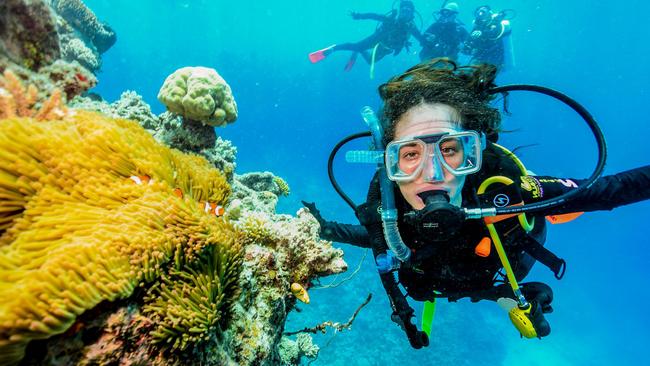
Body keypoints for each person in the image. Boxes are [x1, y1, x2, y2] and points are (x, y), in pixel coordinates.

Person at [302, 59, 650, 348]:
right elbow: (371, 235)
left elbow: (610, 190)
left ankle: (507, 296)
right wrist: (322, 228)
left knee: (498, 283)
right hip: (435, 280)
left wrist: (507, 296)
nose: (434, 173)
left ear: (474, 153)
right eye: (410, 154)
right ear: (389, 164)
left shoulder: (507, 191)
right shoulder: (389, 207)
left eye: (450, 149)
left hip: (497, 270)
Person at [308, 0, 423, 72]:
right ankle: (333, 48)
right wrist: (358, 16)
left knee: (369, 62)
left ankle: (358, 52)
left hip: (387, 48)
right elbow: (374, 16)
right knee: (356, 46)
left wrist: (429, 43)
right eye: (403, 10)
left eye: (408, 11)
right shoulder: (390, 20)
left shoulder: (412, 28)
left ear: (412, 14)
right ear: (399, 11)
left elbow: (421, 39)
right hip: (377, 39)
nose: (405, 13)